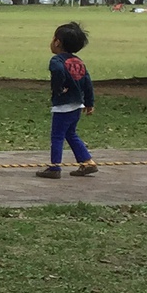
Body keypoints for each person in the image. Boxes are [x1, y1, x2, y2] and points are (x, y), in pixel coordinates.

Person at [37, 21, 98, 178]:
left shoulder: (57, 61)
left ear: (57, 42)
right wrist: (89, 102)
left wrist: (58, 88)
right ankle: (87, 161)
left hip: (63, 106)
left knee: (57, 136)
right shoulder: (79, 62)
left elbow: (57, 71)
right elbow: (87, 82)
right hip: (77, 104)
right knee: (71, 134)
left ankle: (54, 168)